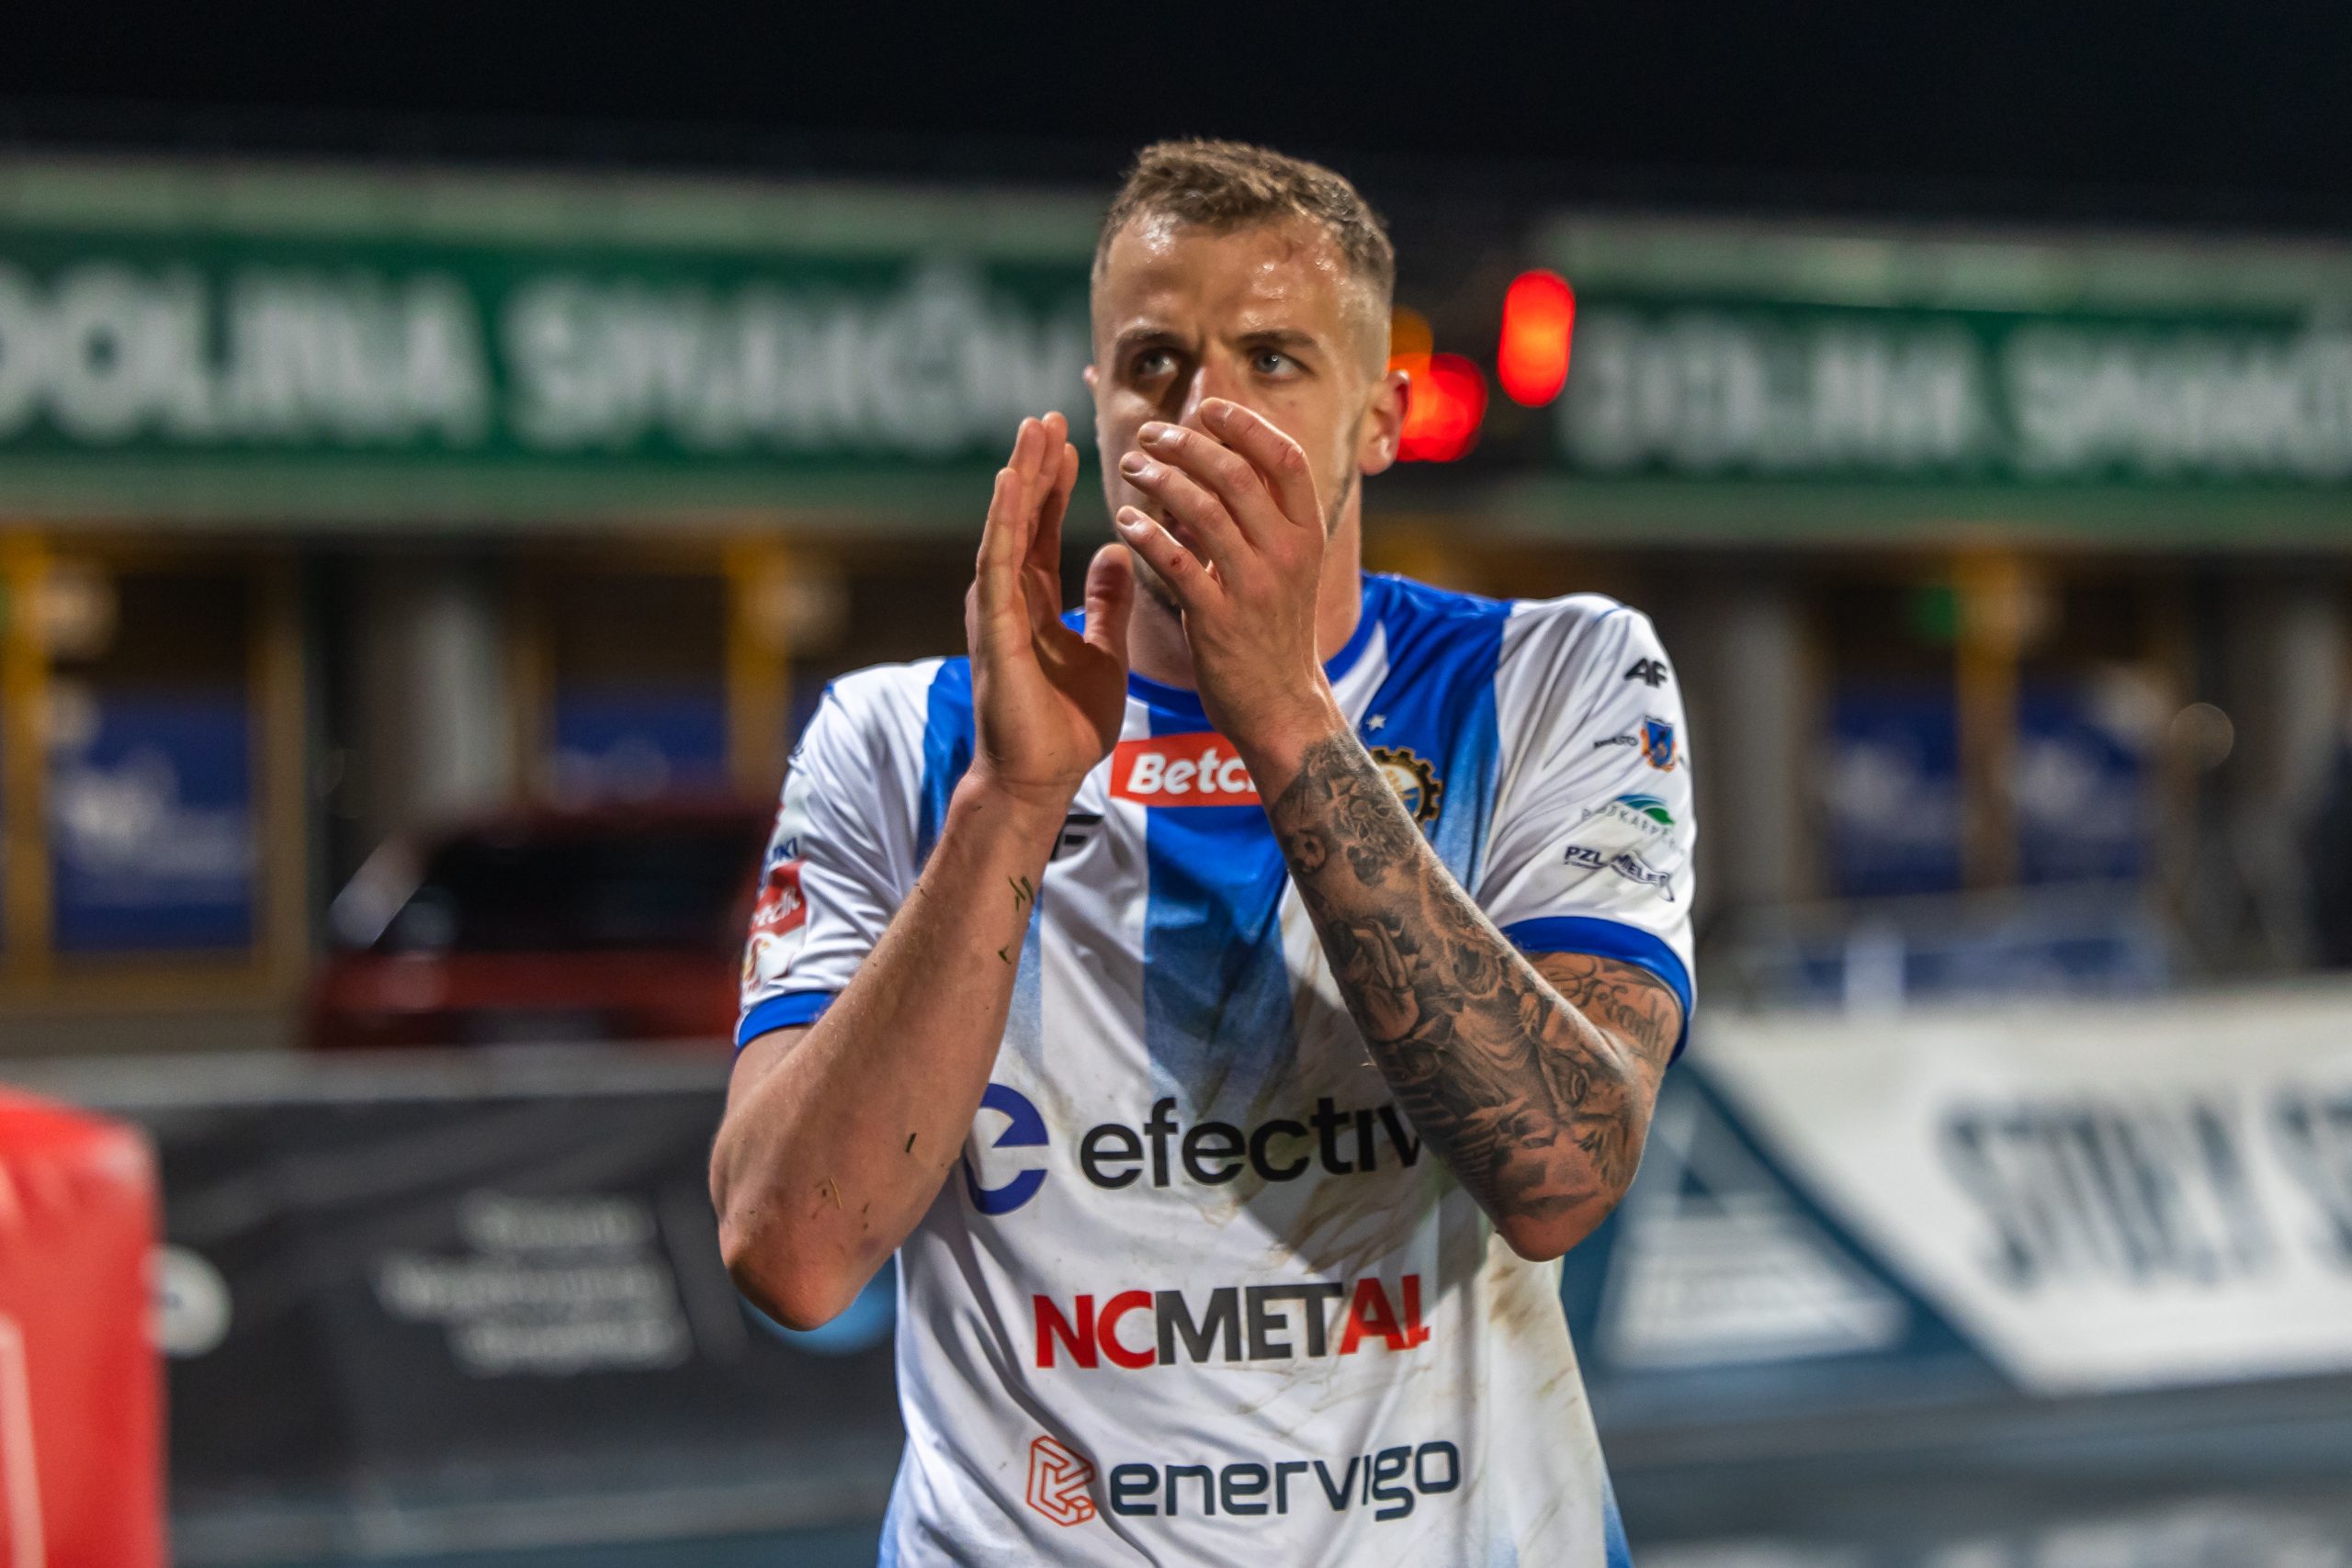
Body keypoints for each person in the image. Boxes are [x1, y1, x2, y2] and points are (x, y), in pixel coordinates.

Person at [711, 139, 1694, 1566]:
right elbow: (794, 1256)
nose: (1203, 410)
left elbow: (1562, 1172)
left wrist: (1282, 709)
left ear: (1382, 417)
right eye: (1154, 362)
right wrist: (1008, 801)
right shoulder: (899, 739)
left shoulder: (1557, 680)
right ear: (1098, 400)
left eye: (1275, 358)